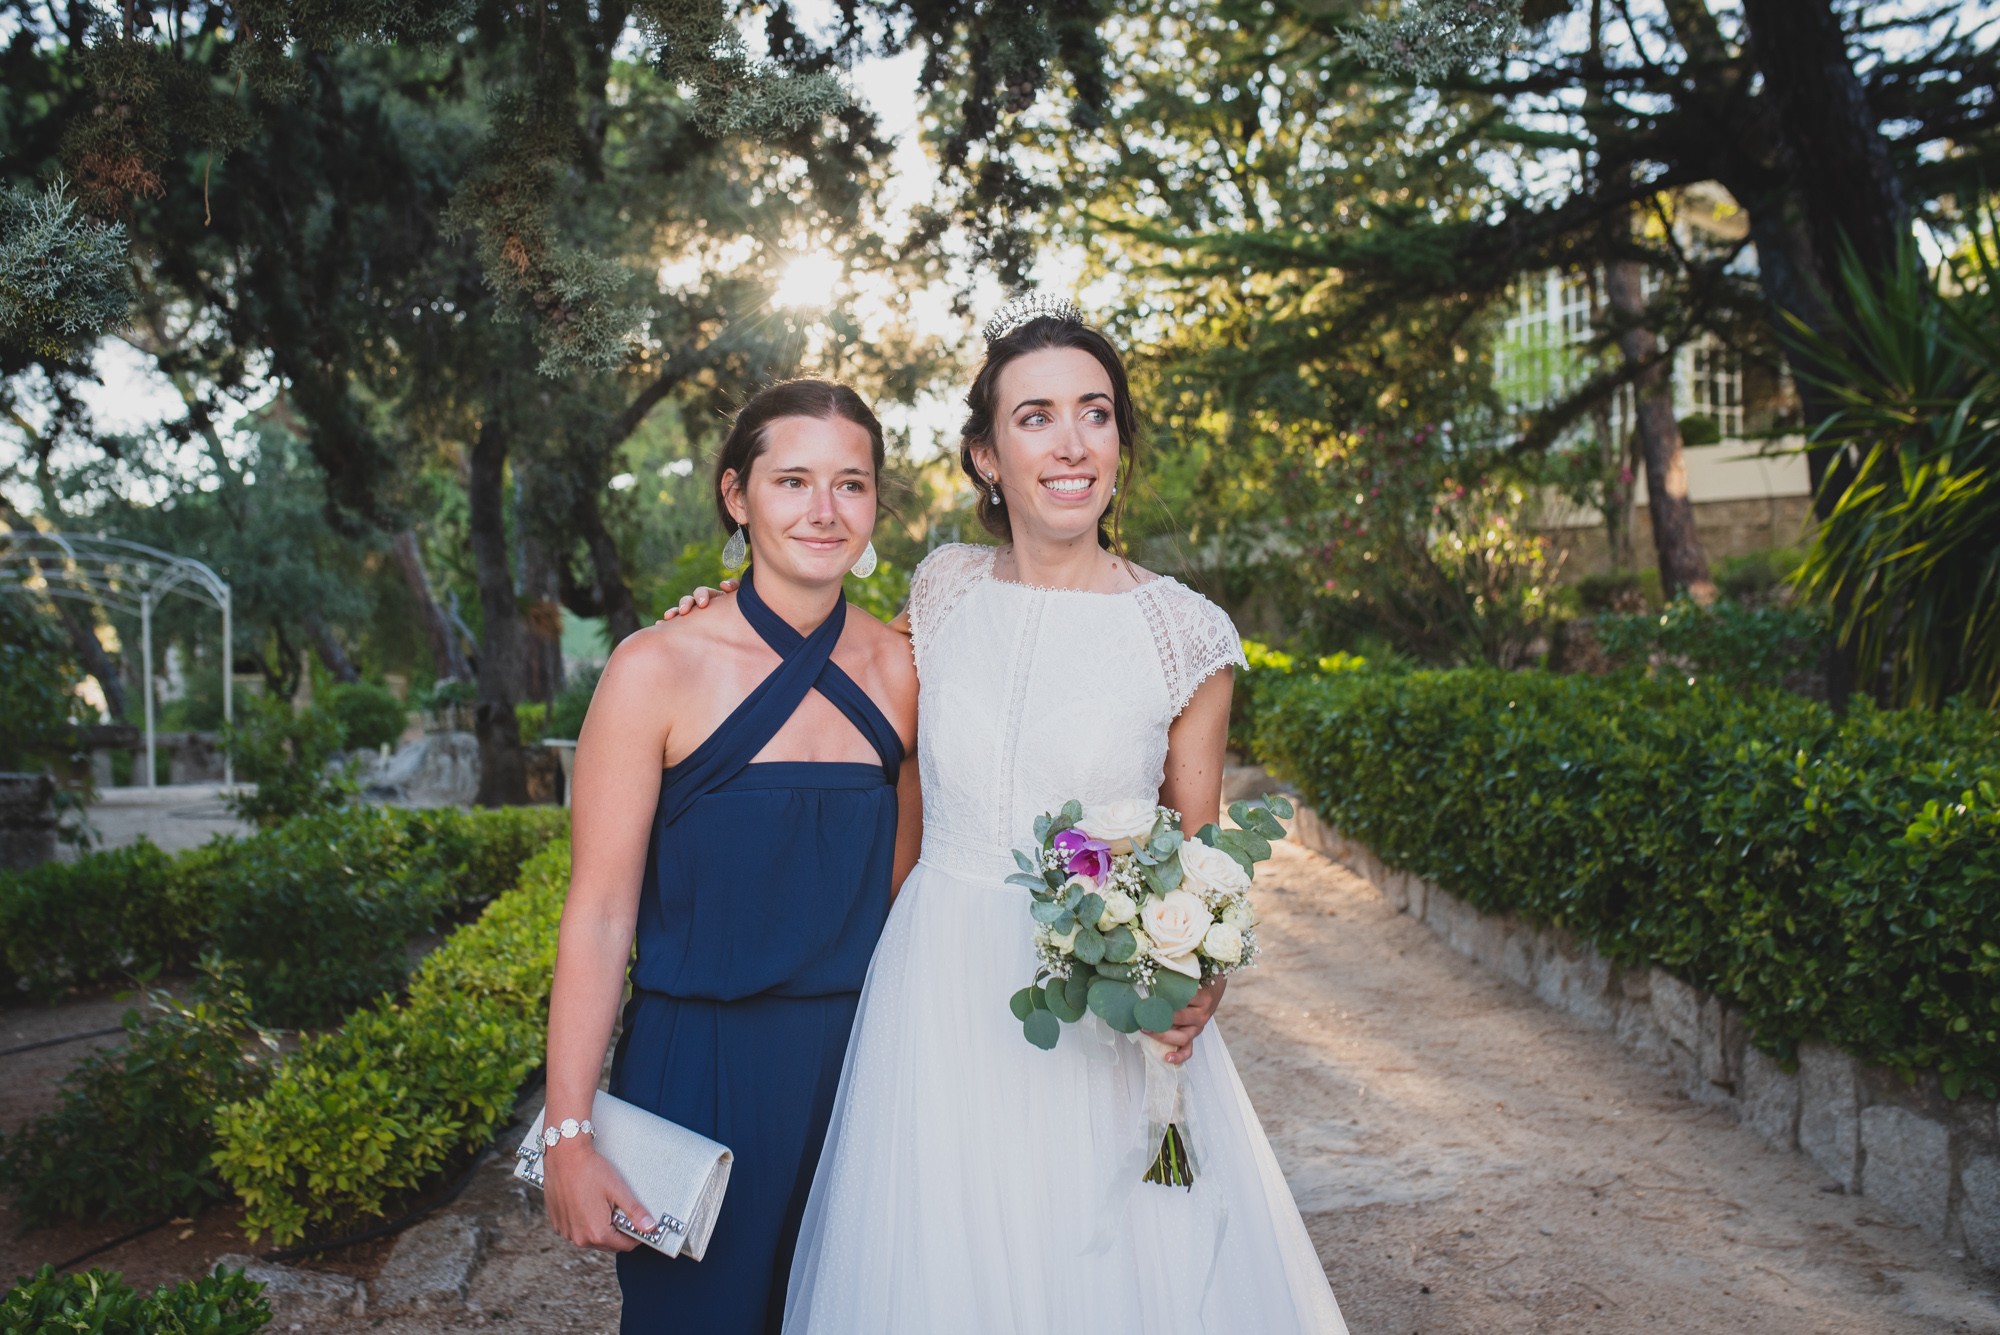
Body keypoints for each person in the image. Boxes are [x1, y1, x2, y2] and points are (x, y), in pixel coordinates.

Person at [669, 302, 1347, 1332]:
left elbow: (1200, 853)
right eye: (1035, 417)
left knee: (1101, 1271)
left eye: (1095, 412)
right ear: (987, 454)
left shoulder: (1184, 635)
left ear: (1119, 442)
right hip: (930, 988)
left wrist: (1197, 973)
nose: (1070, 443)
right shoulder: (940, 590)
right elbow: (835, 673)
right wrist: (707, 612)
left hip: (1096, 1009)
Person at [539, 379, 920, 1335]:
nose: (824, 511)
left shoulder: (913, 672)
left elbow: (919, 889)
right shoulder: (651, 670)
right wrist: (568, 1132)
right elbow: (597, 913)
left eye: (851, 484)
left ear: (877, 503)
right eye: (792, 481)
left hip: (867, 1069)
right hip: (695, 1071)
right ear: (735, 494)